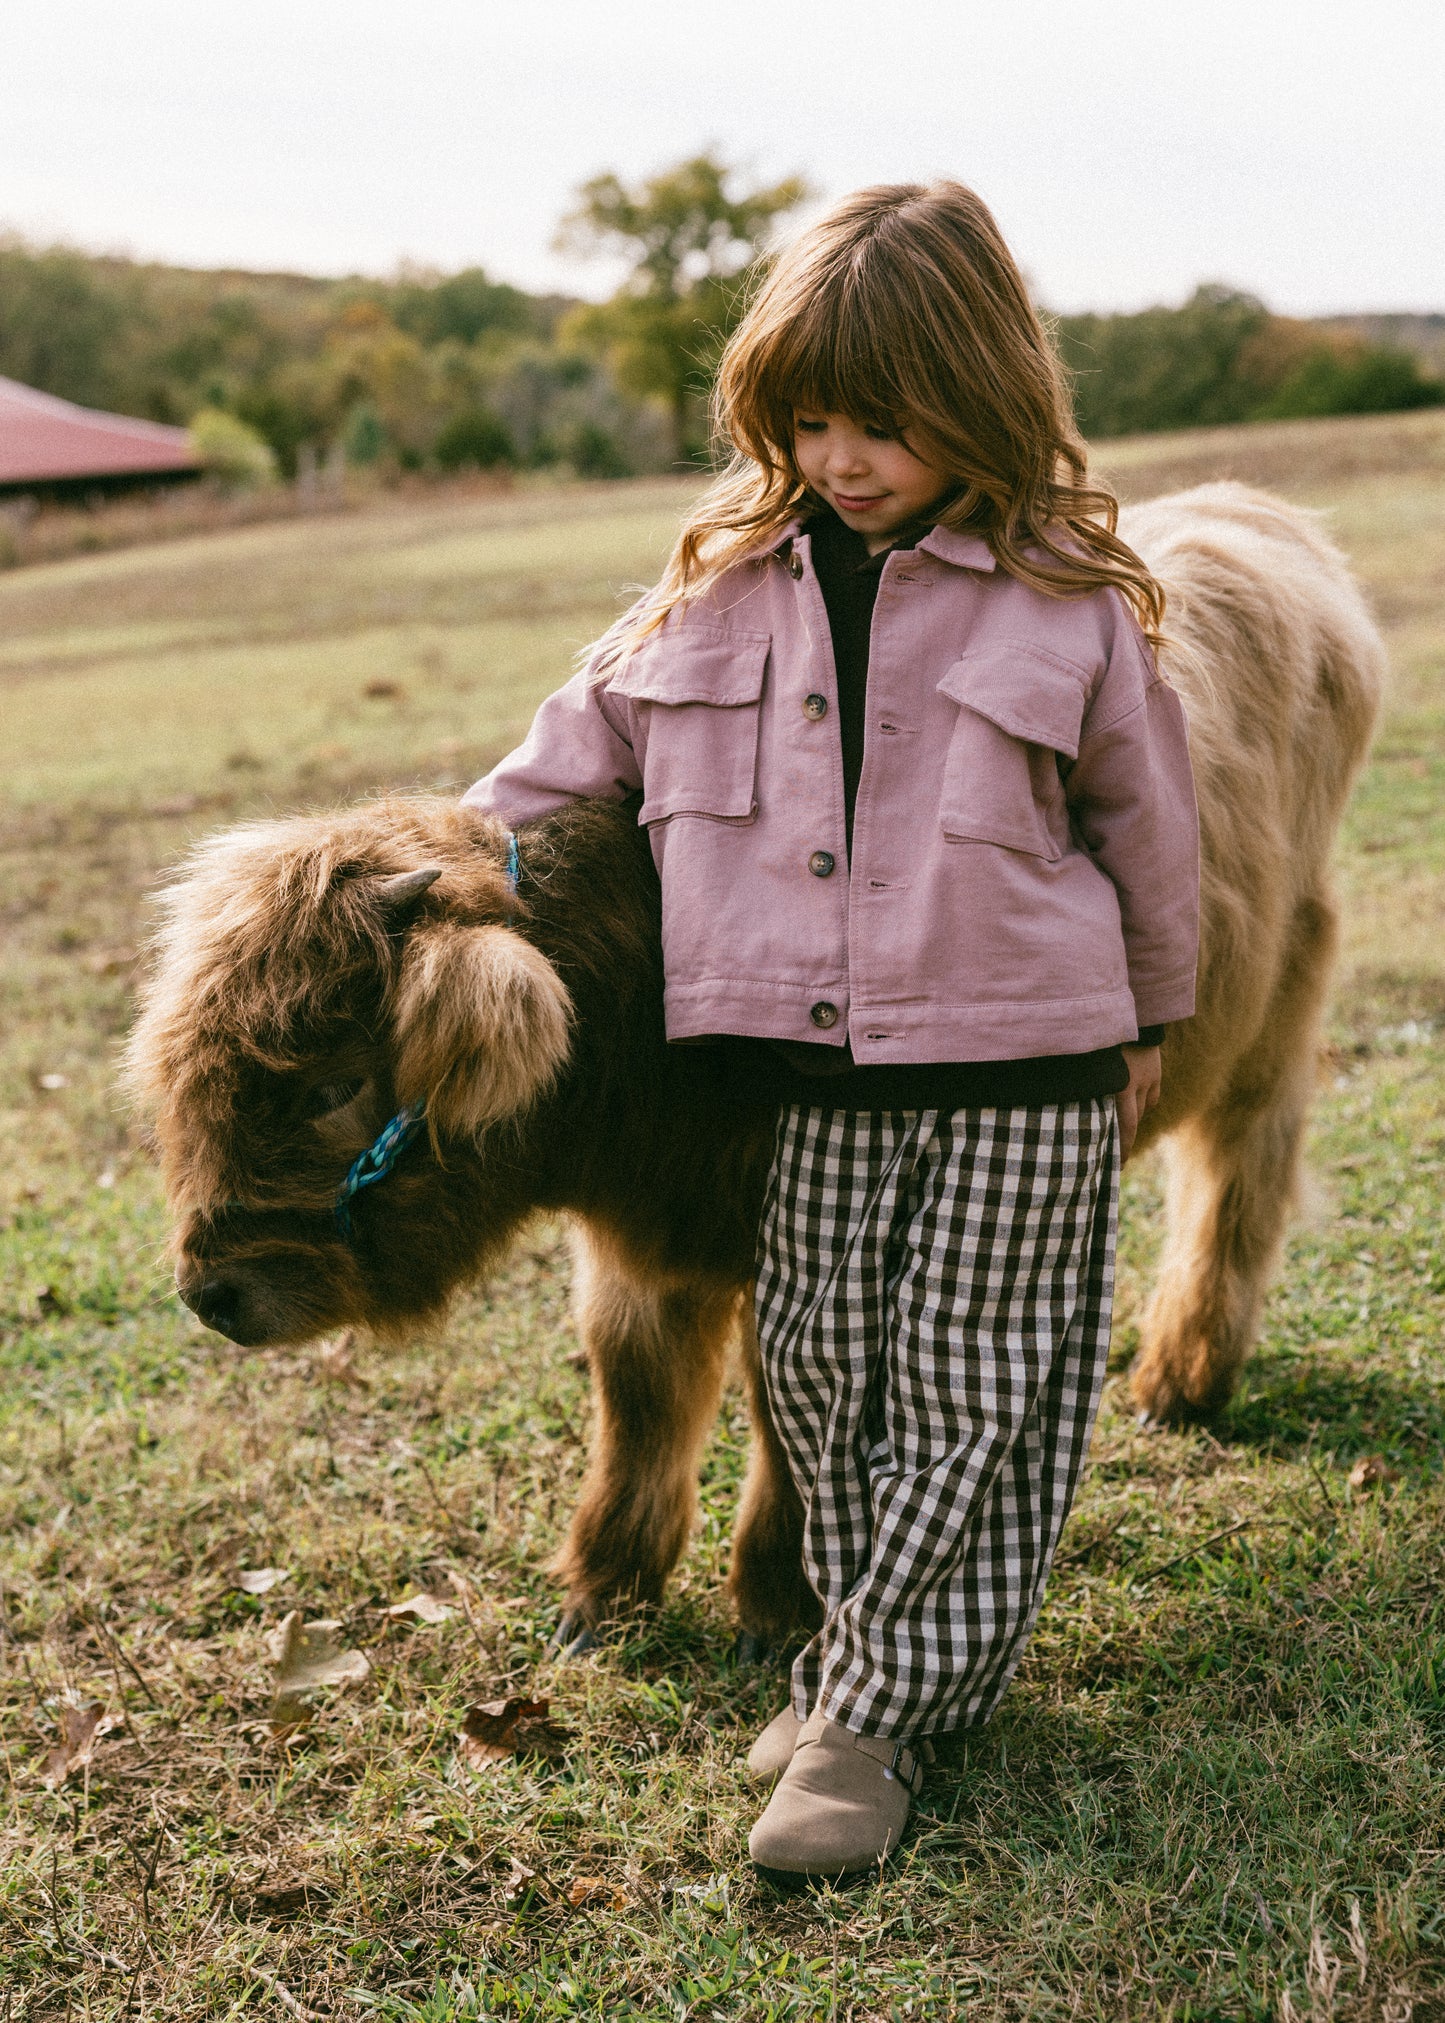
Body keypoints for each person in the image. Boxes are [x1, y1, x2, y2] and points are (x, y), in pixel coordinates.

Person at [462, 180, 1199, 1882]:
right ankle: (878, 1659)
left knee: (972, 1390)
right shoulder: (704, 599)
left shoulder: (1067, 600)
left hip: (1022, 1063)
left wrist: (1154, 1014)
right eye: (810, 416)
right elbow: (538, 790)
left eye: (888, 417)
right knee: (818, 1374)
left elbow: (1148, 838)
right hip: (800, 1078)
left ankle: (864, 1716)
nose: (846, 453)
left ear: (983, 396)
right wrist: (421, 885)